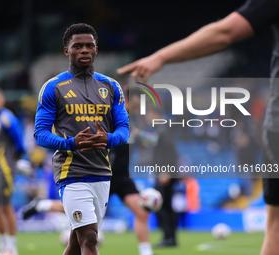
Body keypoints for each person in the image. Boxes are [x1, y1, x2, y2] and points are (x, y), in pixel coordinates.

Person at [118, 1, 279, 254]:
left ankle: (169, 238)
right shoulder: (148, 127)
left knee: (276, 226)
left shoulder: (161, 128)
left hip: (166, 170)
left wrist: (160, 57)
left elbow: (225, 32)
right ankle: (166, 238)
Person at [34, 23, 129, 255]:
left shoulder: (111, 86)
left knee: (77, 243)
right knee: (90, 238)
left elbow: (124, 130)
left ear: (96, 49)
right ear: (67, 50)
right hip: (71, 172)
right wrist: (71, 143)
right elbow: (40, 134)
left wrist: (108, 139)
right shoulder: (53, 87)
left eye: (90, 46)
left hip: (102, 172)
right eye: (78, 46)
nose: (84, 50)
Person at [23, 93, 153, 255]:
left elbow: (146, 142)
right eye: (137, 101)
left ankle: (146, 251)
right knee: (79, 209)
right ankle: (42, 205)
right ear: (127, 100)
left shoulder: (131, 123)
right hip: (103, 174)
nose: (139, 105)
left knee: (141, 210)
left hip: (123, 177)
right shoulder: (109, 117)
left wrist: (145, 138)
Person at [0, 87, 24, 255]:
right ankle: (3, 245)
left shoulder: (8, 119)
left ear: (2, 100)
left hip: (5, 168)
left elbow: (20, 145)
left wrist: (16, 163)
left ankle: (12, 248)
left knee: (6, 206)